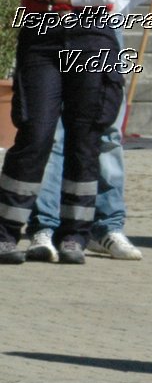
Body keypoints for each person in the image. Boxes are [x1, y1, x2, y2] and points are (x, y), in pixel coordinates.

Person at [0, 0, 126, 267]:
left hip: (92, 33)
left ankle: (75, 236)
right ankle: (6, 232)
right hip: (40, 33)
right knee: (36, 132)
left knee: (85, 138)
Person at [25, 26, 143, 264]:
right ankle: (45, 227)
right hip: (53, 23)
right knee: (51, 133)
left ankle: (105, 226)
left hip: (104, 26)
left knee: (106, 132)